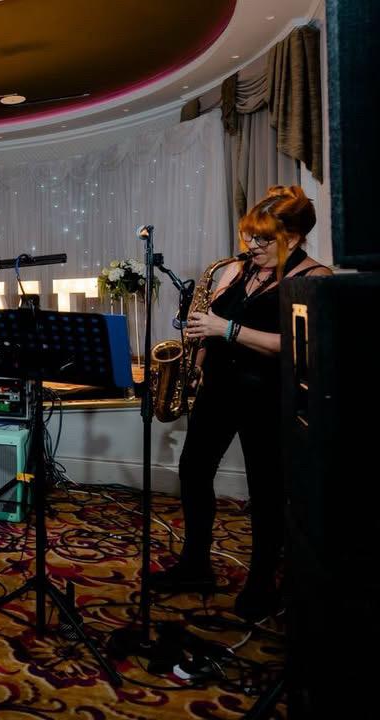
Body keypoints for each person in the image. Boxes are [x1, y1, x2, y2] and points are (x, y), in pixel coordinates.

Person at [151, 185, 332, 622]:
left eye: (264, 239)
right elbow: (208, 325)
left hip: (268, 396)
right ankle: (195, 565)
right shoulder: (234, 270)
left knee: (266, 491)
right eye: (249, 235)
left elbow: (296, 345)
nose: (252, 245)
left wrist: (227, 329)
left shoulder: (315, 278)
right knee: (193, 471)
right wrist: (195, 361)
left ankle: (262, 581)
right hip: (219, 388)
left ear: (295, 236)